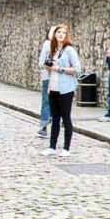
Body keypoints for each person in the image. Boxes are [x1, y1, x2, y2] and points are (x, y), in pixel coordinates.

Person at [41, 24, 82, 157]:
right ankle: (52, 147)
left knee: (66, 118)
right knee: (55, 118)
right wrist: (48, 67)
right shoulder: (52, 50)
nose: (61, 35)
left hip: (66, 89)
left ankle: (66, 148)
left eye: (63, 33)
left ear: (66, 36)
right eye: (59, 32)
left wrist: (60, 69)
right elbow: (48, 65)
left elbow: (77, 69)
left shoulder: (69, 50)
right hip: (53, 87)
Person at [37, 26, 56, 138]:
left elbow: (41, 62)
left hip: (52, 77)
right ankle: (47, 125)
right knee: (51, 101)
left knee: (48, 101)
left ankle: (45, 126)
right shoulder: (49, 45)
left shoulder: (49, 44)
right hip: (54, 77)